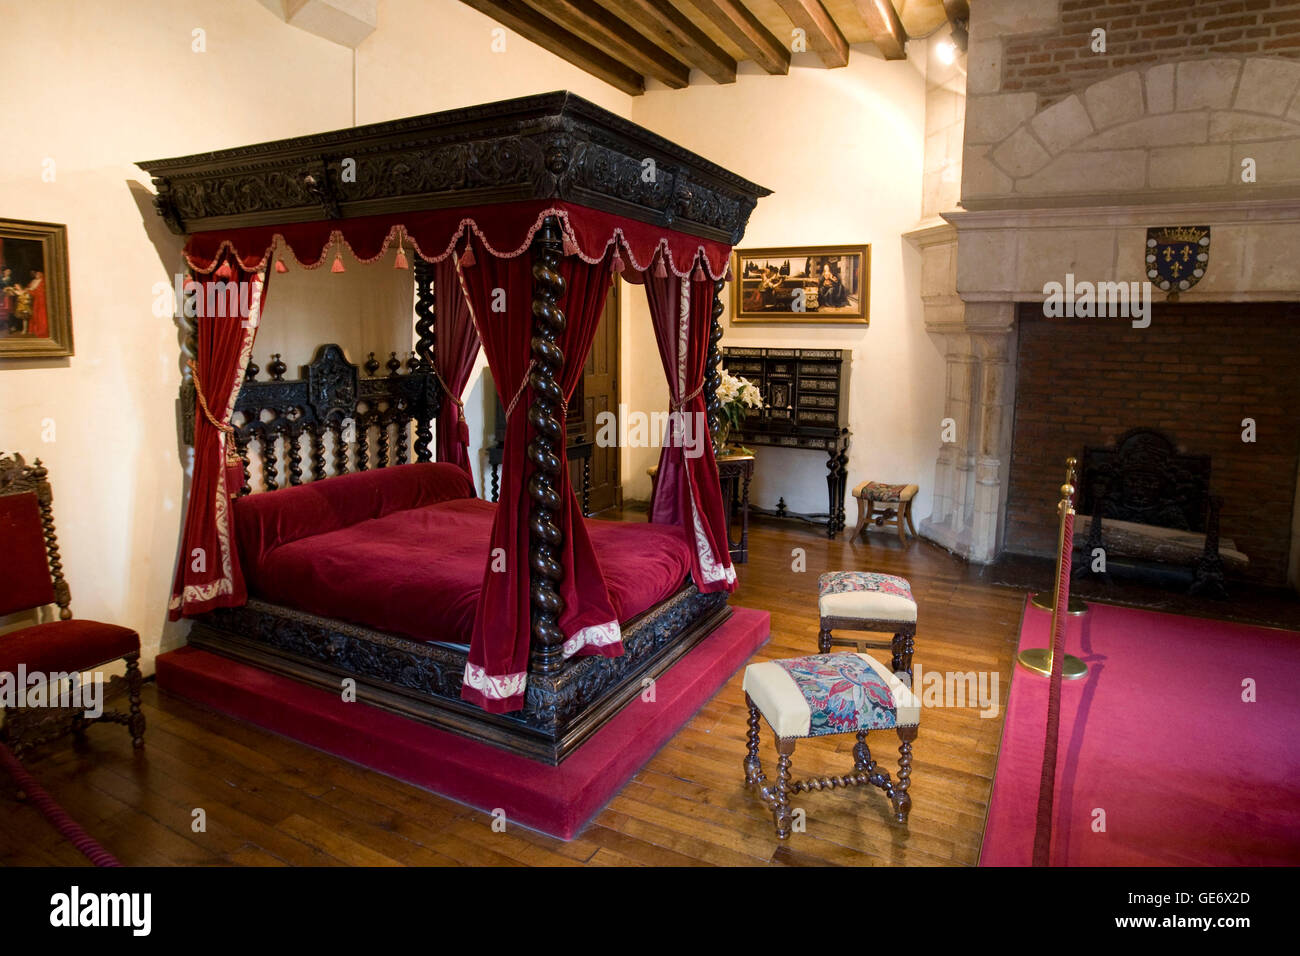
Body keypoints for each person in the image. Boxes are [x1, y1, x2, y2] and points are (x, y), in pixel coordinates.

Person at [26, 271, 48, 338]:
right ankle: (35, 330)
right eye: (36, 274)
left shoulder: (43, 282)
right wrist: (28, 290)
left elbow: (39, 292)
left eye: (39, 274)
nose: (37, 275)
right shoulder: (33, 281)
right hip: (35, 301)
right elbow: (29, 288)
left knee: (41, 315)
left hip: (41, 301)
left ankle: (42, 331)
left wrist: (30, 291)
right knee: (35, 315)